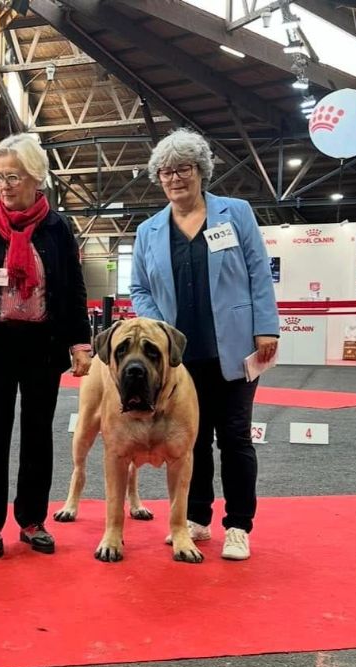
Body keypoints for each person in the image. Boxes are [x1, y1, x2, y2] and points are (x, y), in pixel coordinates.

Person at [129, 128, 279, 562]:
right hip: (176, 357)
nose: (175, 178)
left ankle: (238, 526)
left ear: (201, 172)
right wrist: (156, 327)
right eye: (166, 171)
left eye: (184, 168)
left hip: (232, 348)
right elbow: (139, 287)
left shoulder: (237, 213)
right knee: (188, 441)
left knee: (234, 438)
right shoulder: (148, 230)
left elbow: (258, 273)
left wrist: (266, 328)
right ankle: (195, 518)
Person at [0, 132, 92, 559]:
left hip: (43, 346)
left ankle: (32, 520)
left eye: (14, 176)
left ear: (35, 178)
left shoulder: (59, 228)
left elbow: (73, 289)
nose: (5, 185)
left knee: (38, 436)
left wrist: (80, 343)